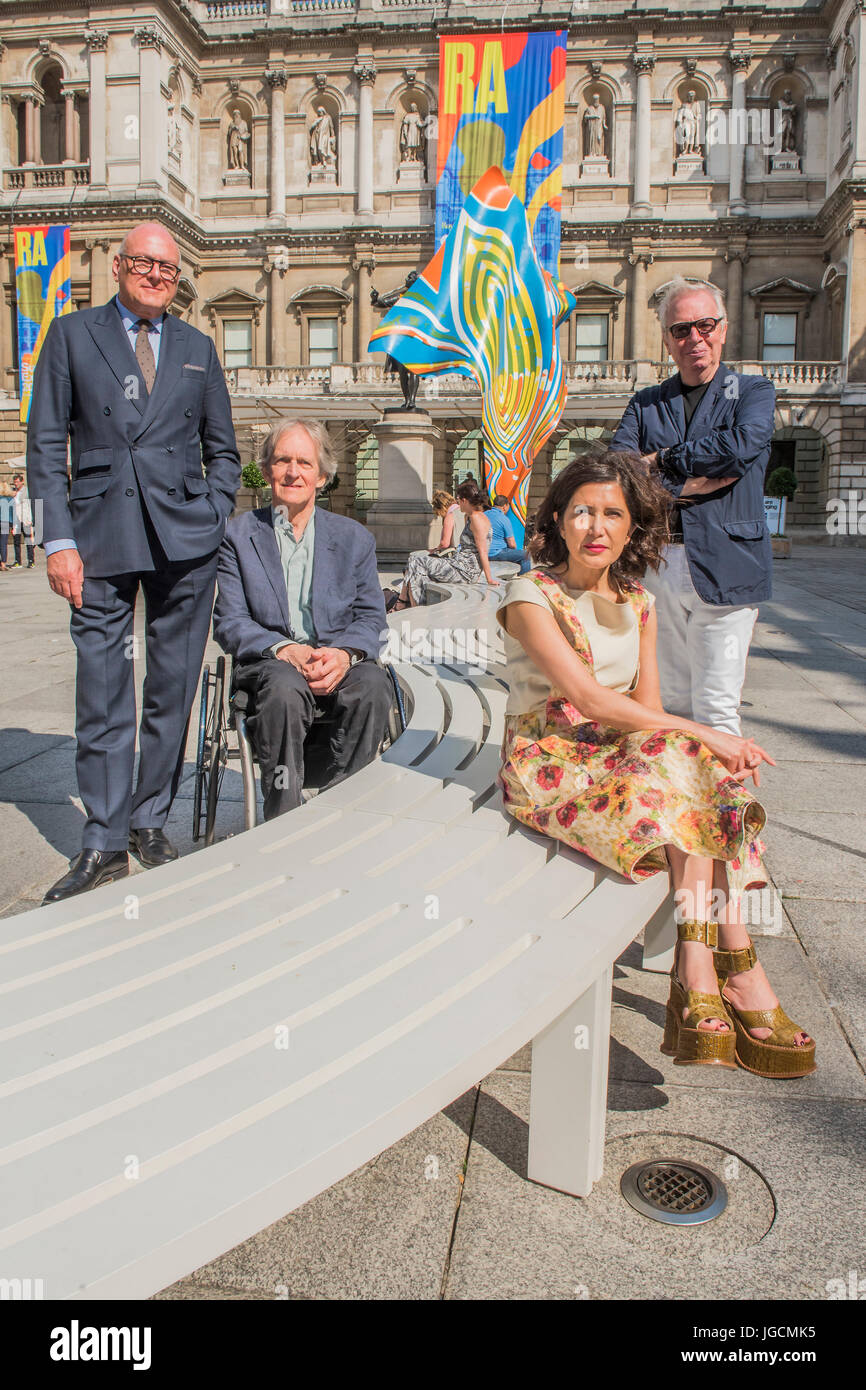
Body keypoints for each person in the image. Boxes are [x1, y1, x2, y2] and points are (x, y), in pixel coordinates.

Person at [496, 451, 814, 1078]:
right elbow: (587, 700)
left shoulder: (638, 599)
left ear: (631, 526)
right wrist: (707, 736)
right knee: (694, 760)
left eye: (613, 513)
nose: (597, 527)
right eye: (582, 511)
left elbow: (647, 710)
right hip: (549, 763)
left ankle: (709, 956)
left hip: (616, 755)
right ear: (558, 519)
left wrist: (700, 746)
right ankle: (732, 967)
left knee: (694, 767)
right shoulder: (530, 593)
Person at [27, 221, 241, 903]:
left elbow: (225, 450)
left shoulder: (198, 347)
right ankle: (103, 837)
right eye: (145, 263)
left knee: (171, 688)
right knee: (102, 689)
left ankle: (150, 820)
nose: (156, 275)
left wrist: (214, 514)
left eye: (168, 268)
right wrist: (57, 541)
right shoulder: (69, 334)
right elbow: (44, 446)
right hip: (99, 539)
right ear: (118, 266)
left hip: (185, 543)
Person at [611, 276, 775, 735]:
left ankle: (728, 806)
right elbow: (621, 470)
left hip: (727, 562)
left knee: (718, 705)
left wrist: (661, 460)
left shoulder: (753, 392)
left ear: (722, 328)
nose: (694, 339)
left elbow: (743, 444)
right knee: (670, 701)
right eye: (681, 330)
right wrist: (688, 482)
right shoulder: (645, 403)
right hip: (658, 562)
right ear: (666, 339)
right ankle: (682, 801)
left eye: (704, 325)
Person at [212, 418, 393, 821]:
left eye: (304, 463)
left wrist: (345, 655)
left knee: (374, 684)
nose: (293, 472)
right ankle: (283, 811)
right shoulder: (239, 536)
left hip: (335, 657)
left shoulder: (353, 538)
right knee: (283, 687)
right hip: (269, 662)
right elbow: (229, 619)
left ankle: (348, 804)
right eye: (282, 461)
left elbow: (371, 618)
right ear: (266, 471)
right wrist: (285, 649)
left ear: (322, 476)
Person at [390, 479, 500, 609]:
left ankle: (412, 607)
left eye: (458, 499)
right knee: (414, 560)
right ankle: (407, 602)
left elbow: (483, 552)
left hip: (466, 572)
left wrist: (489, 579)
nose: (457, 503)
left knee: (416, 562)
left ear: (464, 500)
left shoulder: (476, 519)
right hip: (458, 565)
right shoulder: (471, 516)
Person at [486, 493, 531, 573]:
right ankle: (523, 580)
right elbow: (512, 545)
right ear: (505, 506)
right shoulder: (504, 519)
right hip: (496, 553)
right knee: (526, 555)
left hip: (483, 552)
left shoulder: (484, 514)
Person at [11, 473, 35, 567]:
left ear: (22, 482)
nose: (16, 484)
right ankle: (18, 561)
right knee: (16, 541)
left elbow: (30, 506)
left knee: (28, 541)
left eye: (17, 482)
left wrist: (30, 519)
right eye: (14, 482)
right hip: (16, 520)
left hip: (26, 519)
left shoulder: (27, 491)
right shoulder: (13, 492)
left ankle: (31, 561)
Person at [0, 481, 13, 570]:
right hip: (6, 523)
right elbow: (13, 513)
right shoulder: (11, 500)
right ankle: (3, 563)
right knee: (3, 543)